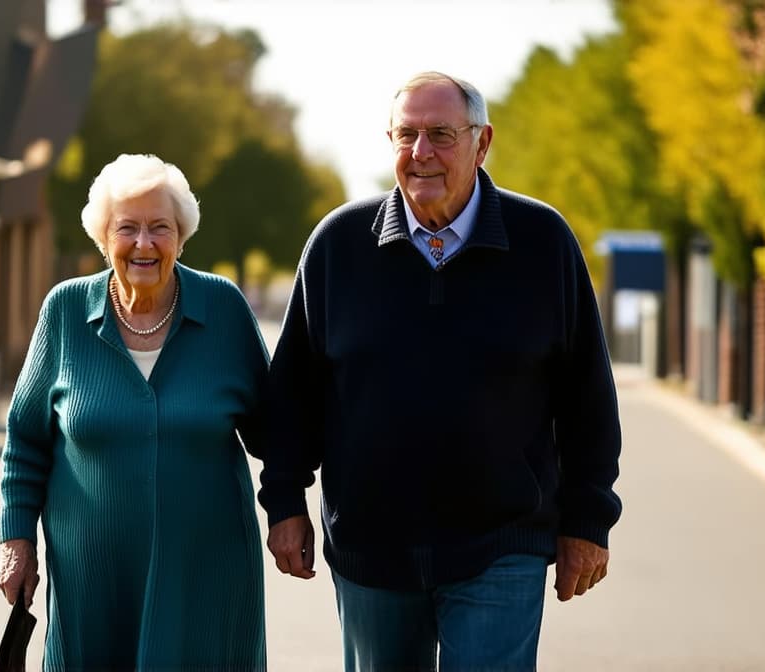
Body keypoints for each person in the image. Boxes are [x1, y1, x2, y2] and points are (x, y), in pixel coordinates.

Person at [259, 71, 622, 671]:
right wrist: (284, 503)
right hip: (371, 548)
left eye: (441, 135)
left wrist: (588, 520)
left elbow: (587, 399)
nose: (421, 153)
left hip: (503, 543)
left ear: (482, 144)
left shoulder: (543, 242)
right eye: (407, 136)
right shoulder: (338, 246)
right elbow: (294, 392)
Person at [0, 153, 269, 671]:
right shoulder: (65, 312)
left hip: (206, 573)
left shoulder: (224, 308)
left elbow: (277, 432)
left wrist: (288, 513)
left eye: (159, 228)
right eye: (128, 228)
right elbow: (26, 441)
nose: (143, 244)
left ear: (182, 236)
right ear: (104, 238)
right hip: (93, 578)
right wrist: (16, 540)